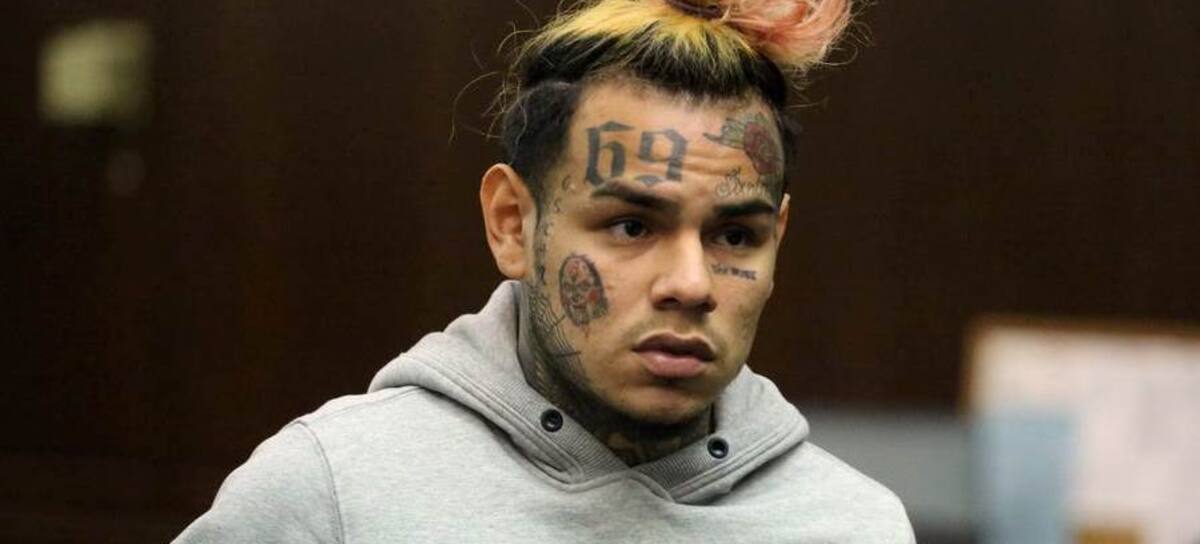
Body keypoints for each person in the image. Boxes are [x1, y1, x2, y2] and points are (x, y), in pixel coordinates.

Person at [174, 0, 914, 541]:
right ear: (512, 224)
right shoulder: (335, 494)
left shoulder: (850, 526)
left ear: (777, 239)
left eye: (734, 236)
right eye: (632, 226)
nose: (691, 284)